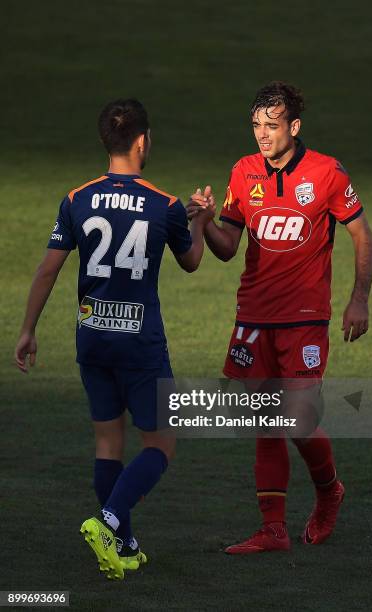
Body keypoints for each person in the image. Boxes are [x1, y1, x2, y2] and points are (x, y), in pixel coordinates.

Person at [14, 98, 211, 579]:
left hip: (92, 338)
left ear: (107, 141)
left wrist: (27, 329)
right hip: (140, 343)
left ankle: (122, 544)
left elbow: (47, 270)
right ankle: (107, 523)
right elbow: (192, 261)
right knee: (162, 444)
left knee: (108, 442)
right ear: (143, 141)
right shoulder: (164, 205)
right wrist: (200, 218)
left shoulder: (77, 197)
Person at [187, 81, 372, 553]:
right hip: (253, 317)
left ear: (294, 126)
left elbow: (362, 237)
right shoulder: (242, 172)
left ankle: (329, 491)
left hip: (305, 317)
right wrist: (206, 220)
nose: (262, 135)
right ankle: (273, 530)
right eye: (256, 125)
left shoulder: (327, 173)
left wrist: (360, 298)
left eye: (272, 126)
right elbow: (228, 248)